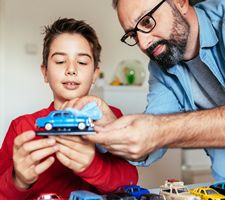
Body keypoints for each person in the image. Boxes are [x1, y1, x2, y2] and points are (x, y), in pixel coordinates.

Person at [66, 0, 225, 181]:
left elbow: (157, 129)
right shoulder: (160, 67)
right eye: (133, 35)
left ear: (180, 2)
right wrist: (112, 128)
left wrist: (159, 130)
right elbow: (151, 141)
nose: (143, 43)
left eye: (147, 22)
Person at [0, 18, 138, 199]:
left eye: (82, 62)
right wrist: (19, 180)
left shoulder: (111, 117)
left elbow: (130, 181)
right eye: (59, 61)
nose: (71, 69)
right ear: (45, 72)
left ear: (95, 74)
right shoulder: (22, 127)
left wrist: (92, 165)